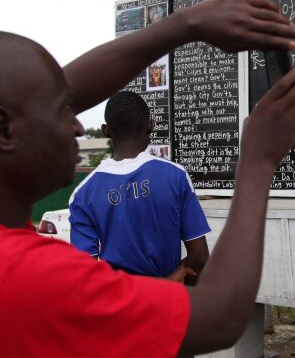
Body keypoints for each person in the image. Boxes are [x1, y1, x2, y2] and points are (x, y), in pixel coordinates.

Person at [0, 0, 295, 357]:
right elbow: (221, 316)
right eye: (62, 111)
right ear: (2, 130)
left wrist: (185, 25)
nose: (78, 125)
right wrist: (257, 161)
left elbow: (48, 93)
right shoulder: (20, 278)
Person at [69, 90, 210, 284]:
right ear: (150, 125)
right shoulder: (175, 175)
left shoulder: (83, 194)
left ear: (105, 130)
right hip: (170, 307)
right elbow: (199, 257)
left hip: (121, 310)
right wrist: (172, 291)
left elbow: (86, 278)